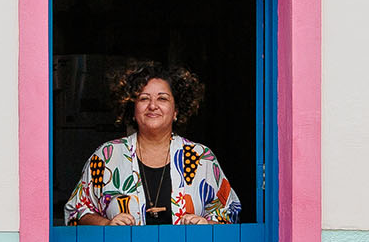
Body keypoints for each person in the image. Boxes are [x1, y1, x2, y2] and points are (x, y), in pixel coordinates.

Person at [63, 63, 242, 225]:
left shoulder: (202, 157)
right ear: (132, 110)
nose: (153, 106)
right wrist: (106, 225)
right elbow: (76, 212)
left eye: (162, 98)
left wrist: (205, 224)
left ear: (176, 111)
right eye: (143, 98)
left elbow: (229, 214)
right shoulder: (107, 155)